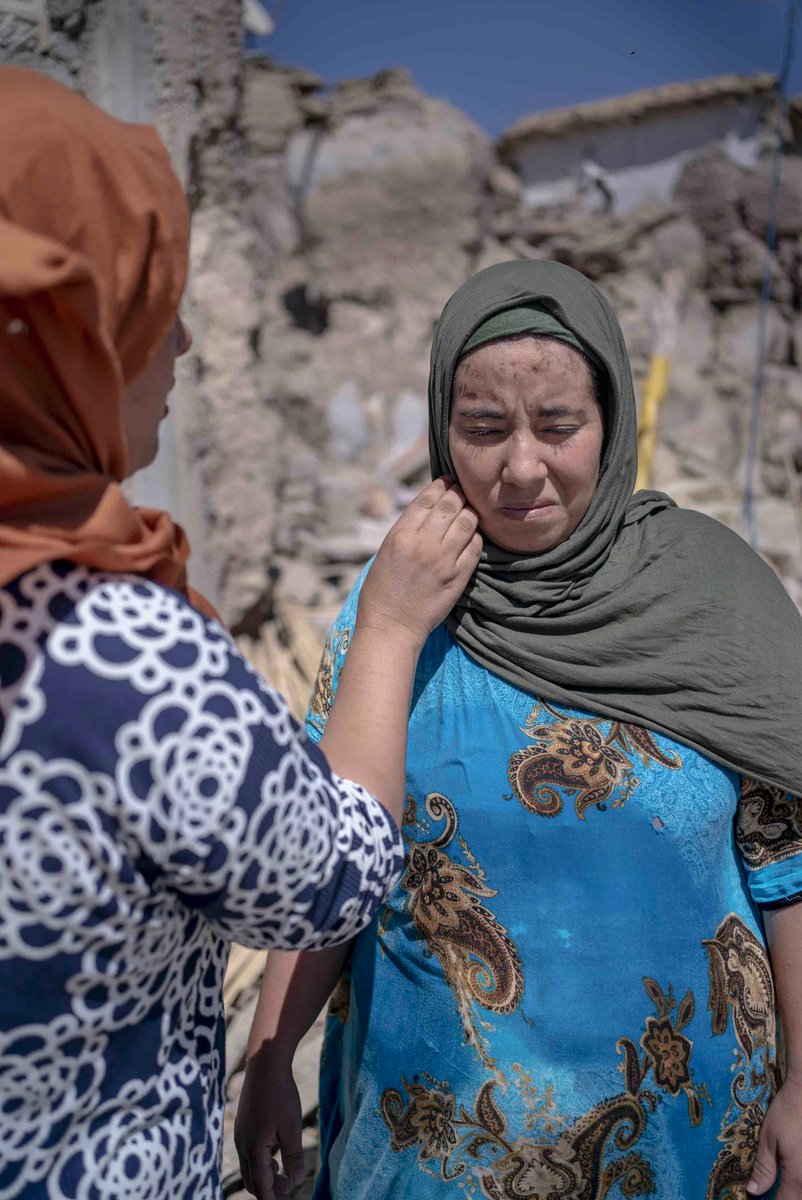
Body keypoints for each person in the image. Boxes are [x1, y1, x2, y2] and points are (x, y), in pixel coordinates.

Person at [0, 67, 481, 1200]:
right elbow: (333, 877)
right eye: (148, 316)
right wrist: (389, 629)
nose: (179, 359)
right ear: (67, 339)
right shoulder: (116, 654)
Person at [236, 259, 802, 1200]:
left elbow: (792, 871)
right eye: (485, 431)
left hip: (687, 1149)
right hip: (437, 1153)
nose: (522, 467)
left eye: (560, 426)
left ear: (612, 422)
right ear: (441, 432)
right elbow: (326, 863)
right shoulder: (395, 612)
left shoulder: (715, 599)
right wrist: (267, 1058)